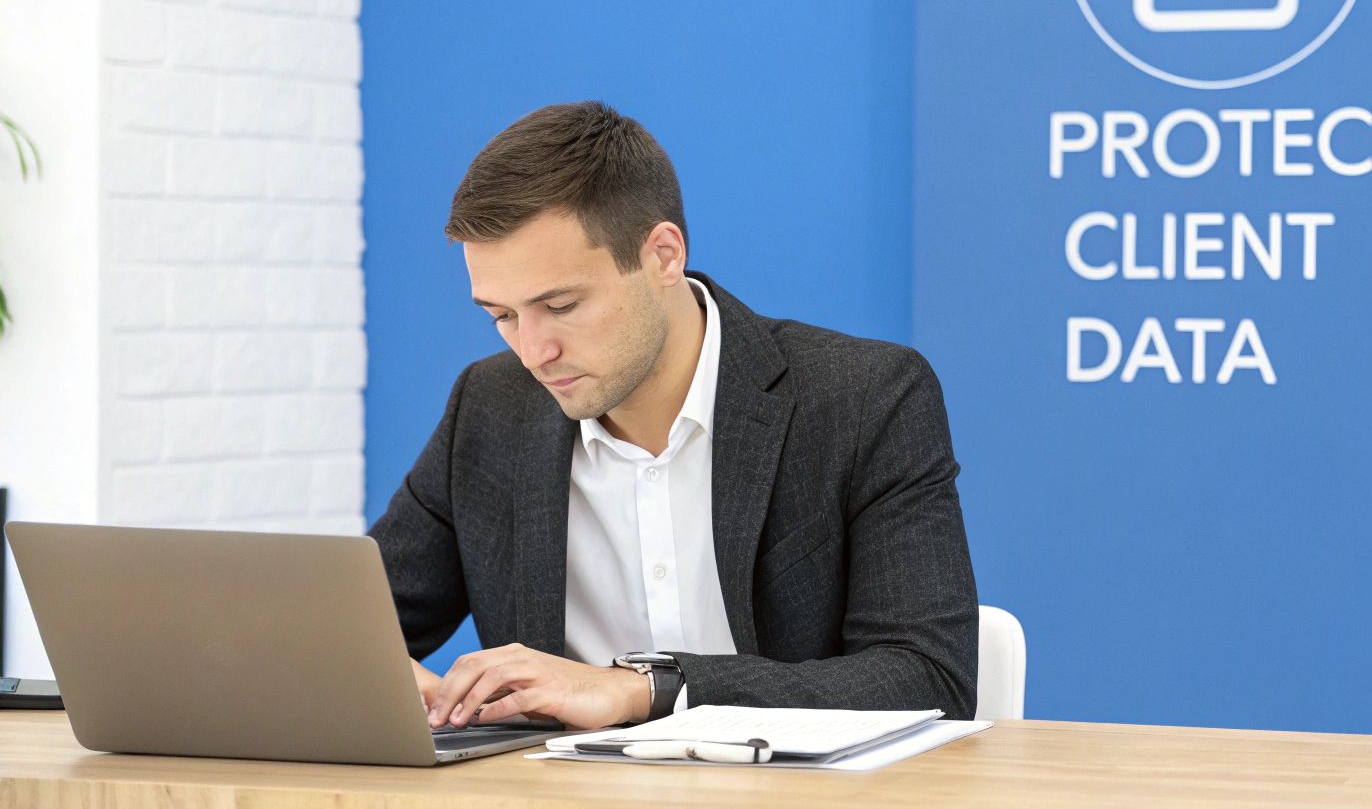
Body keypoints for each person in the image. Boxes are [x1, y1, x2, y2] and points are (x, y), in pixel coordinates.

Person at [369, 101, 978, 732]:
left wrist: (646, 688)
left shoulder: (864, 398)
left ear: (663, 255)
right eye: (501, 315)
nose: (532, 352)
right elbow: (356, 623)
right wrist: (370, 669)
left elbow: (929, 677)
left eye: (562, 304)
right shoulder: (489, 409)